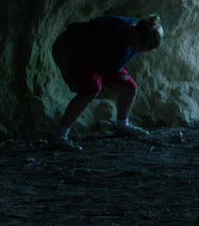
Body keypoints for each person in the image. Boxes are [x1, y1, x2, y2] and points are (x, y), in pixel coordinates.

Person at [50, 14, 164, 151]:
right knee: (91, 89)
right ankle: (59, 135)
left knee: (129, 87)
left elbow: (113, 64)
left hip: (103, 59)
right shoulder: (110, 32)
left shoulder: (140, 33)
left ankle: (122, 125)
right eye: (142, 47)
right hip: (74, 50)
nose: (141, 51)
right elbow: (82, 46)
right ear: (136, 36)